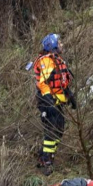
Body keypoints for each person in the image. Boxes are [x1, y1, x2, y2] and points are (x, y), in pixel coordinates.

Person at [33, 33, 76, 175]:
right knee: (52, 131)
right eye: (59, 42)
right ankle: (46, 160)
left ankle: (44, 155)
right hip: (48, 102)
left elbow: (61, 83)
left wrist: (70, 96)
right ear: (53, 45)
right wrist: (48, 99)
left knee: (59, 130)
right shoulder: (47, 61)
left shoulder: (56, 60)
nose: (62, 44)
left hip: (56, 101)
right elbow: (43, 82)